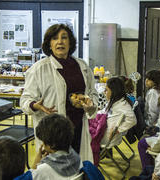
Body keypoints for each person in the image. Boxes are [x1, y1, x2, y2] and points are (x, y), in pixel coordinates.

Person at [20, 24, 98, 161]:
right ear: (49, 44)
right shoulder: (38, 69)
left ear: (70, 42)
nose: (60, 42)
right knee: (54, 170)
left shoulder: (83, 66)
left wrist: (91, 104)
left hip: (78, 126)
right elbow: (25, 100)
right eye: (55, 38)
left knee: (77, 165)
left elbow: (93, 93)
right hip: (53, 132)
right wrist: (35, 105)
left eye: (64, 38)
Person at [31, 113, 82, 180]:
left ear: (51, 145)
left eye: (43, 141)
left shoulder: (42, 170)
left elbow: (31, 176)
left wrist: (35, 164)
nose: (42, 144)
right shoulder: (78, 160)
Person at [99, 77, 137, 147]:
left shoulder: (122, 105)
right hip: (106, 132)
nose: (104, 92)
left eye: (106, 90)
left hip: (107, 137)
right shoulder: (114, 102)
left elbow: (133, 120)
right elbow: (103, 112)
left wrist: (118, 130)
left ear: (114, 91)